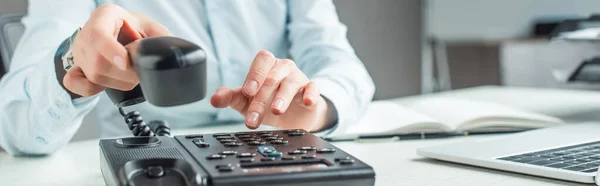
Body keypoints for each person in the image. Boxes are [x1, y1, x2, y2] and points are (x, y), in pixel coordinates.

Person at [0, 0, 375, 155]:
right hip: (152, 155)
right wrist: (71, 58)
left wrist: (315, 109)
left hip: (276, 149)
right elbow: (16, 127)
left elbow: (341, 63)